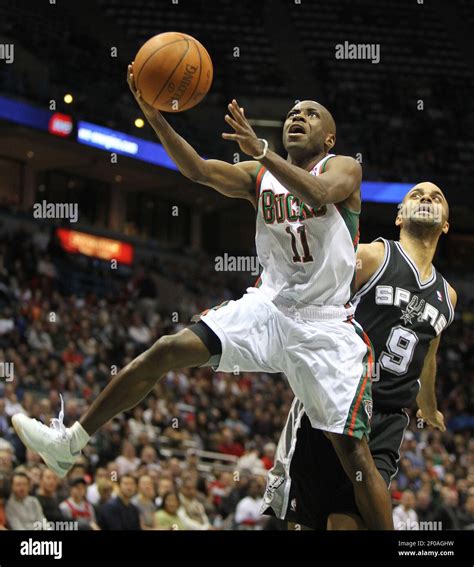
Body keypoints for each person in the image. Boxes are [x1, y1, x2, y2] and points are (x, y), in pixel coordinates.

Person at [12, 68, 393, 529]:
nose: (298, 116)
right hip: (269, 307)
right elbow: (198, 170)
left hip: (326, 323)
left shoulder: (344, 168)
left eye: (311, 114)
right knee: (168, 349)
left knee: (353, 453)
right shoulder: (258, 174)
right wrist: (156, 119)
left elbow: (318, 192)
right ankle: (68, 444)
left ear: (329, 137)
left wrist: (263, 151)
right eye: (293, 112)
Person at [262, 182, 456, 530]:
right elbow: (313, 299)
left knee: (349, 521)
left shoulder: (448, 296)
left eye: (436, 197)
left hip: (386, 418)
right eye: (416, 195)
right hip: (335, 401)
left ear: (445, 224)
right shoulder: (372, 256)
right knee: (307, 522)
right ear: (399, 217)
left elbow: (429, 354)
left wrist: (428, 405)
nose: (426, 198)